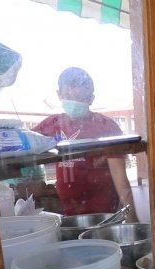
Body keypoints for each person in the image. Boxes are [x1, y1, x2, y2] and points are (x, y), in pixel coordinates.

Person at [33, 67, 138, 221]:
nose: (74, 103)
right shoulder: (51, 125)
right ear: (59, 95)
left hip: (104, 213)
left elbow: (119, 176)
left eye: (81, 99)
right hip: (64, 213)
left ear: (91, 99)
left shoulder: (106, 126)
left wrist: (132, 218)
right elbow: (23, 147)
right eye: (68, 96)